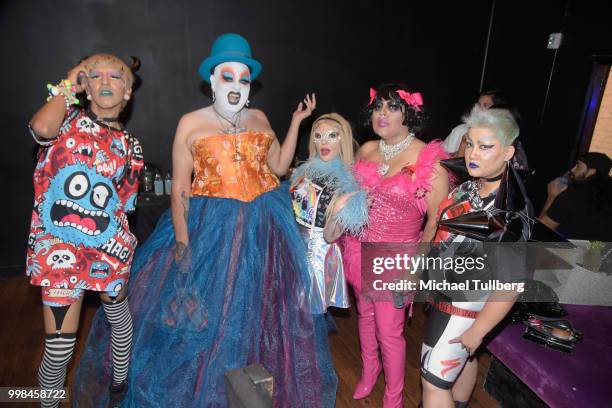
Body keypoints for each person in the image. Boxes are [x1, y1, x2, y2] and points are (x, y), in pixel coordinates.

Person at [73, 33, 334, 407]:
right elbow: (180, 188)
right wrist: (183, 245)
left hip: (266, 225)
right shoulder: (191, 122)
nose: (236, 86)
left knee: (260, 312)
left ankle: (252, 390)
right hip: (215, 228)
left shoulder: (259, 117)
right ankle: (212, 391)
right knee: (216, 315)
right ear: (213, 80)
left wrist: (295, 122)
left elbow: (277, 167)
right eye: (228, 77)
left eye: (243, 79)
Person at [26, 53, 143, 408]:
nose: (106, 81)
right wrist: (67, 83)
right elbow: (41, 129)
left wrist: (118, 252)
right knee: (59, 349)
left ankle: (118, 390)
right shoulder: (64, 122)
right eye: (95, 75)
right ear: (86, 87)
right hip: (57, 252)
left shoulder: (131, 147)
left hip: (108, 251)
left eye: (115, 76)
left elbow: (124, 205)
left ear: (127, 92)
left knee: (119, 320)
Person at [342, 84, 449, 407]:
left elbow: (434, 222)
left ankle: (394, 395)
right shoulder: (367, 150)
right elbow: (351, 200)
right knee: (364, 316)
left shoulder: (429, 159)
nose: (382, 114)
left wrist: (416, 272)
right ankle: (370, 370)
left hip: (397, 259)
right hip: (359, 249)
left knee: (390, 332)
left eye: (391, 108)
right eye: (377, 108)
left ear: (409, 114)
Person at [420, 106, 532, 408]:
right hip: (448, 295)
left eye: (485, 147)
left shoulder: (507, 212)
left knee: (432, 383)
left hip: (463, 307)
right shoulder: (473, 185)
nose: (473, 153)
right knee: (464, 363)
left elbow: (510, 284)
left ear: (508, 152)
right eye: (470, 143)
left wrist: (478, 330)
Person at [288, 110, 369, 407]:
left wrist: (342, 207)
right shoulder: (304, 170)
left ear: (343, 140)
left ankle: (308, 385)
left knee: (307, 321)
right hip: (295, 245)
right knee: (295, 318)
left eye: (332, 136)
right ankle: (293, 372)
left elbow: (333, 235)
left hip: (317, 252)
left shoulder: (346, 183)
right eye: (318, 135)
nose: (324, 141)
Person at [539, 152, 612, 242]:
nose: (572, 170)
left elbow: (542, 228)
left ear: (592, 171)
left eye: (578, 166)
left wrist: (551, 196)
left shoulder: (573, 193)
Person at [442, 89, 505, 157]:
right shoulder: (459, 130)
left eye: (485, 105)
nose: (478, 109)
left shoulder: (502, 139)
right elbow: (441, 158)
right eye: (478, 105)